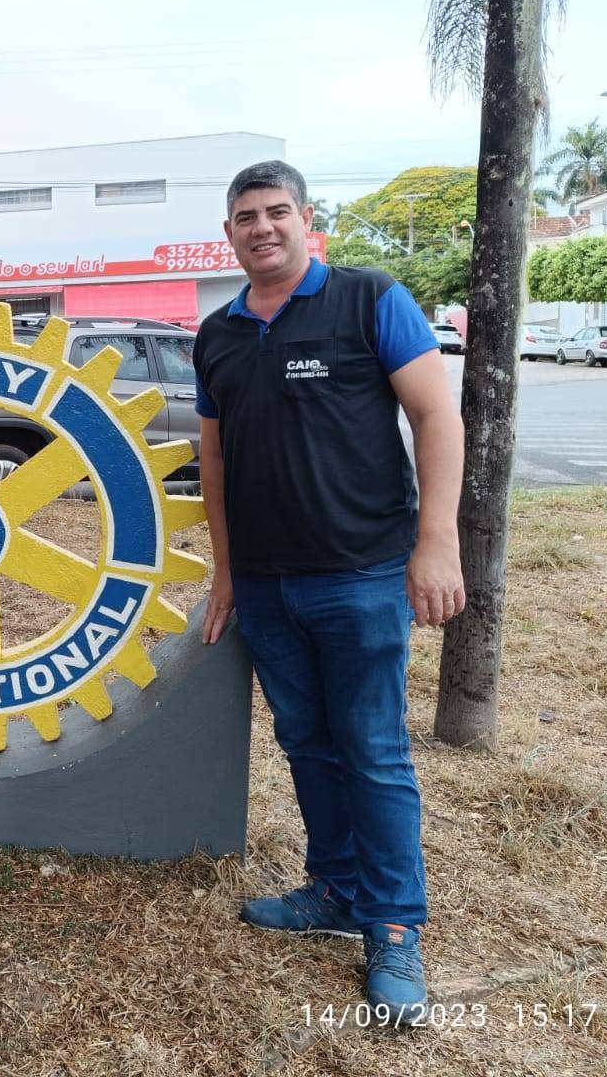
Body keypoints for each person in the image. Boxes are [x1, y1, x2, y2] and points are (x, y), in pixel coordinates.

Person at [194, 160, 466, 1022]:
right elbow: (214, 459)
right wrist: (227, 571)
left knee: (373, 750)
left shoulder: (369, 298)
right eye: (246, 217)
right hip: (268, 588)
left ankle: (392, 927)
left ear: (309, 221)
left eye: (278, 212)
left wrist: (436, 543)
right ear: (228, 233)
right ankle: (336, 888)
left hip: (362, 574)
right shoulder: (219, 333)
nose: (262, 227)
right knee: (308, 744)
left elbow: (436, 416)